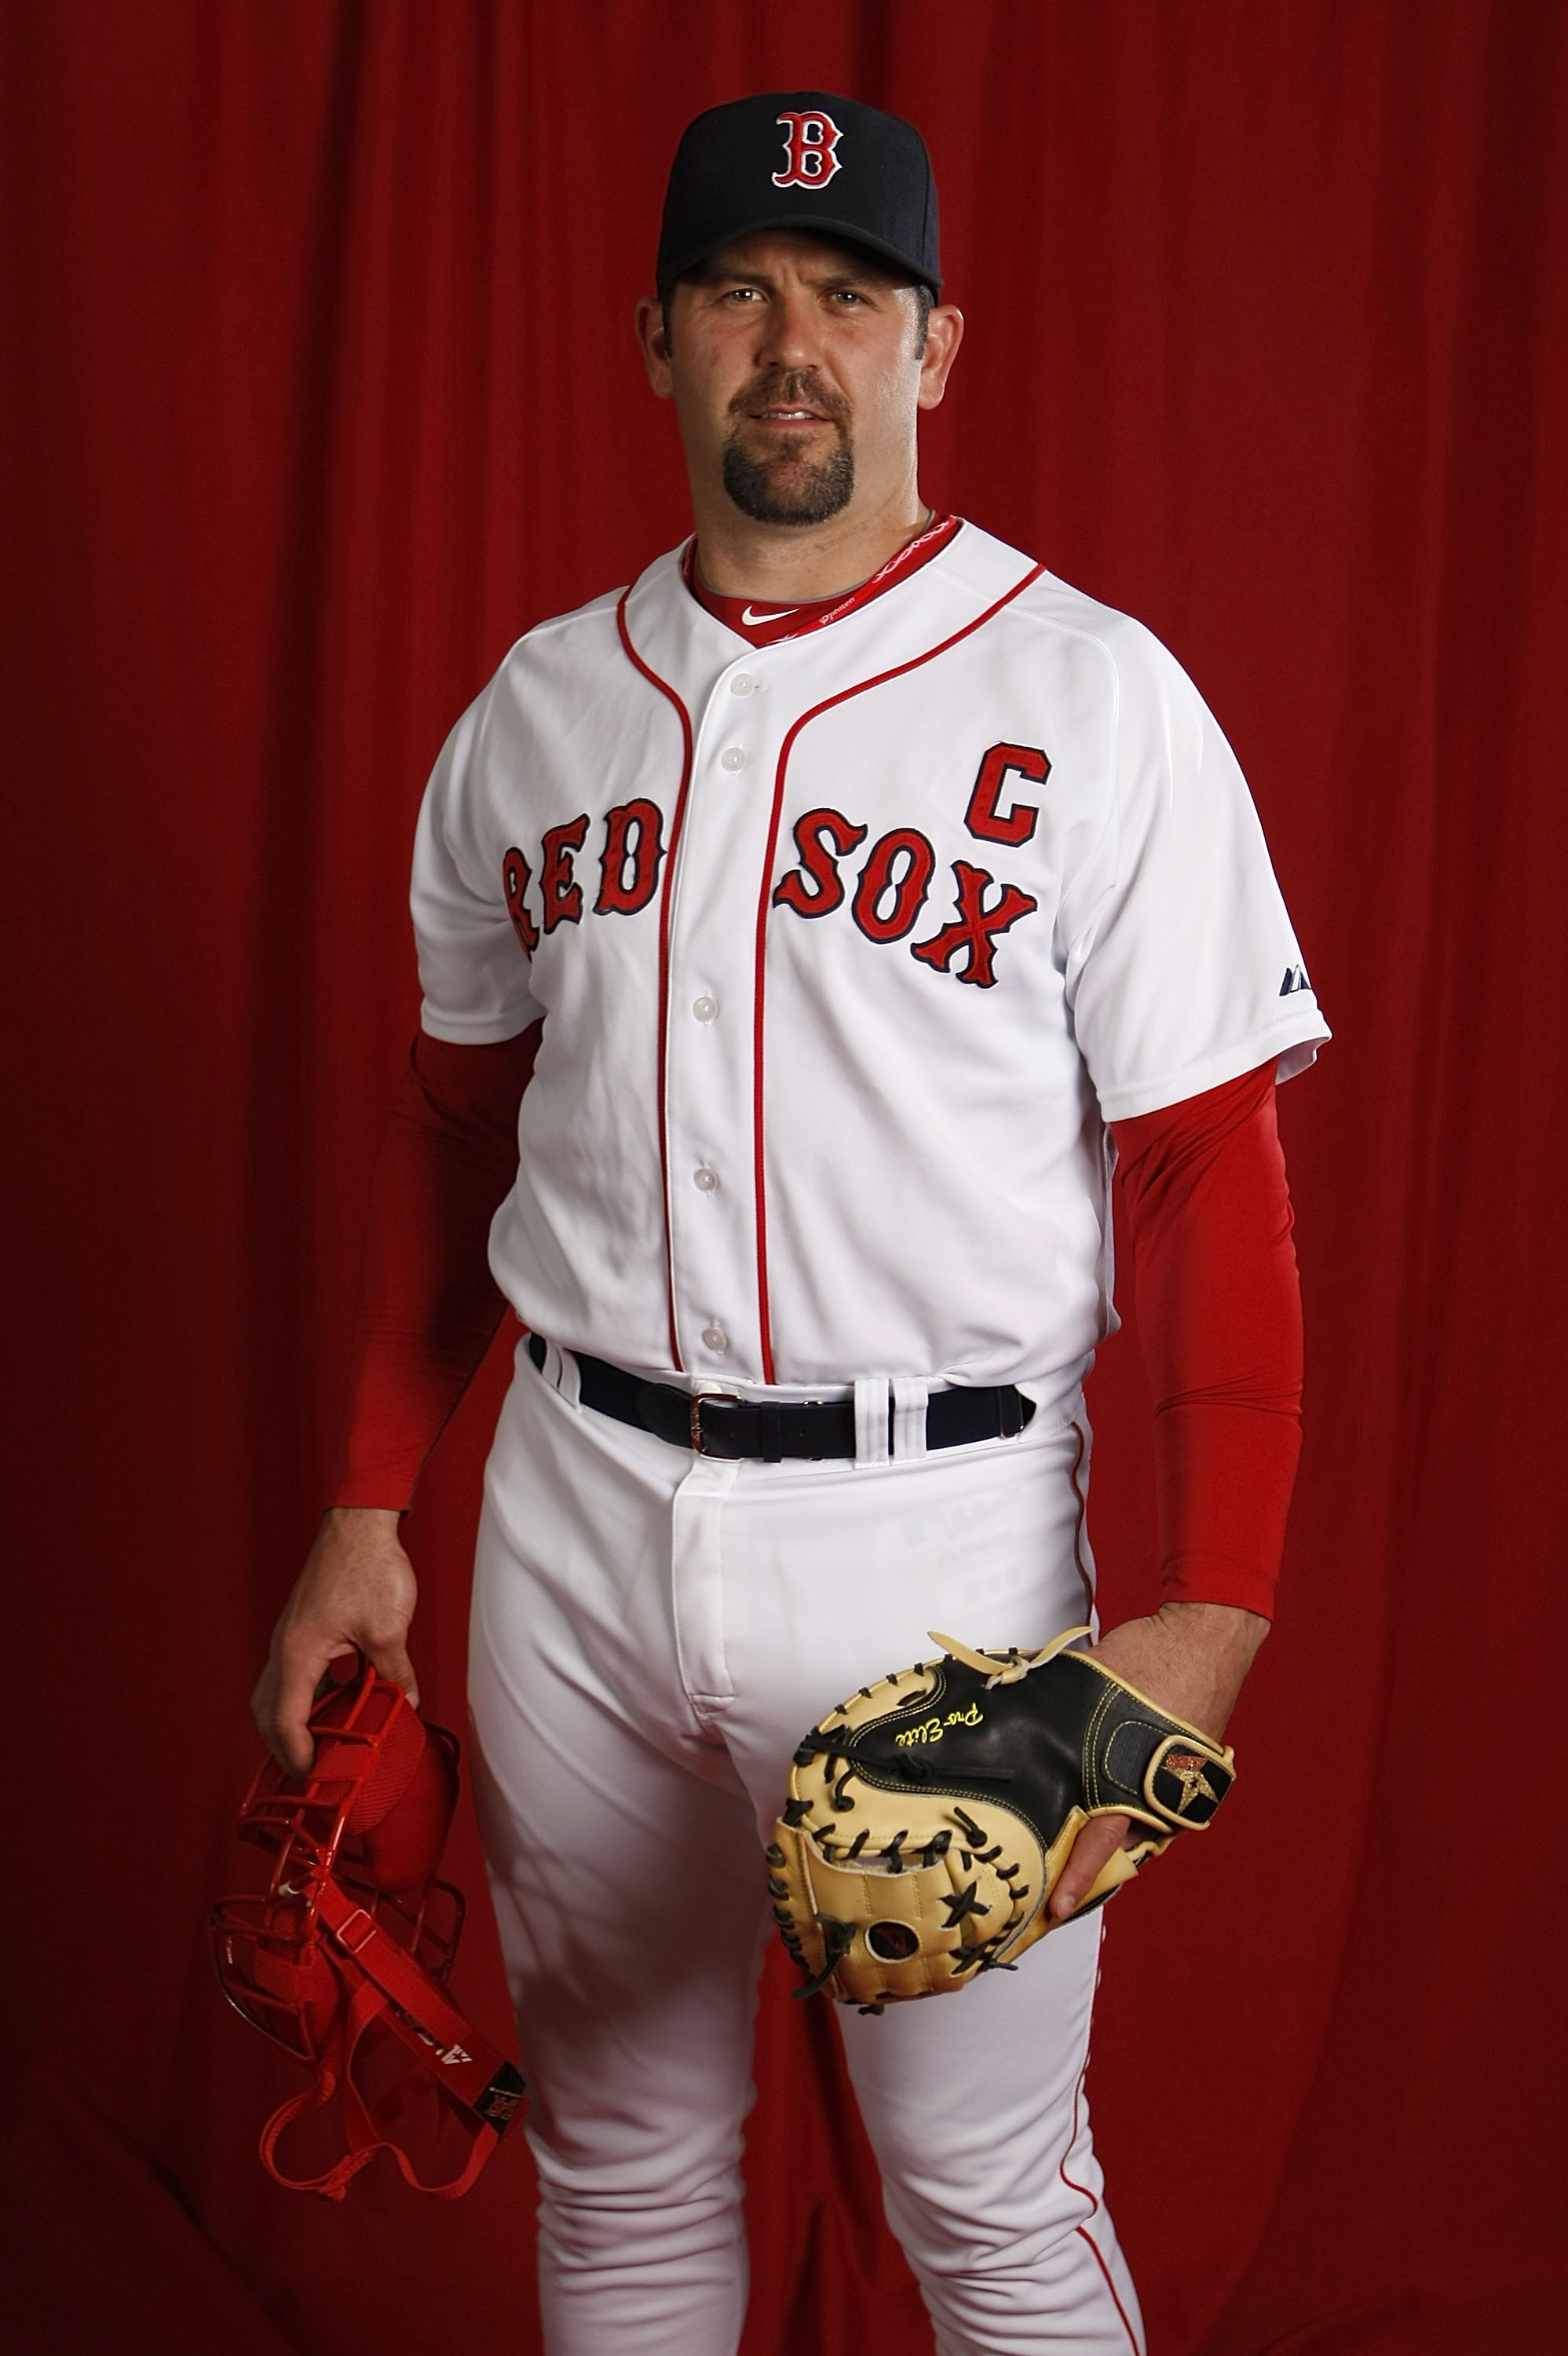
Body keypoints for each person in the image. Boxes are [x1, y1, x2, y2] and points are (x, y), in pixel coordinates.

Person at [254, 91, 1327, 2355]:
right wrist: (370, 1501)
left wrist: (1212, 1620)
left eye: (853, 297)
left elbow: (1206, 1168)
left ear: (937, 351)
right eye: (742, 290)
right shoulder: (537, 711)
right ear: (655, 338)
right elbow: (453, 1136)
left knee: (990, 2202)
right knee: (618, 2171)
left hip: (933, 1541)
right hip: (569, 1506)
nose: (795, 345)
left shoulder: (1095, 696)